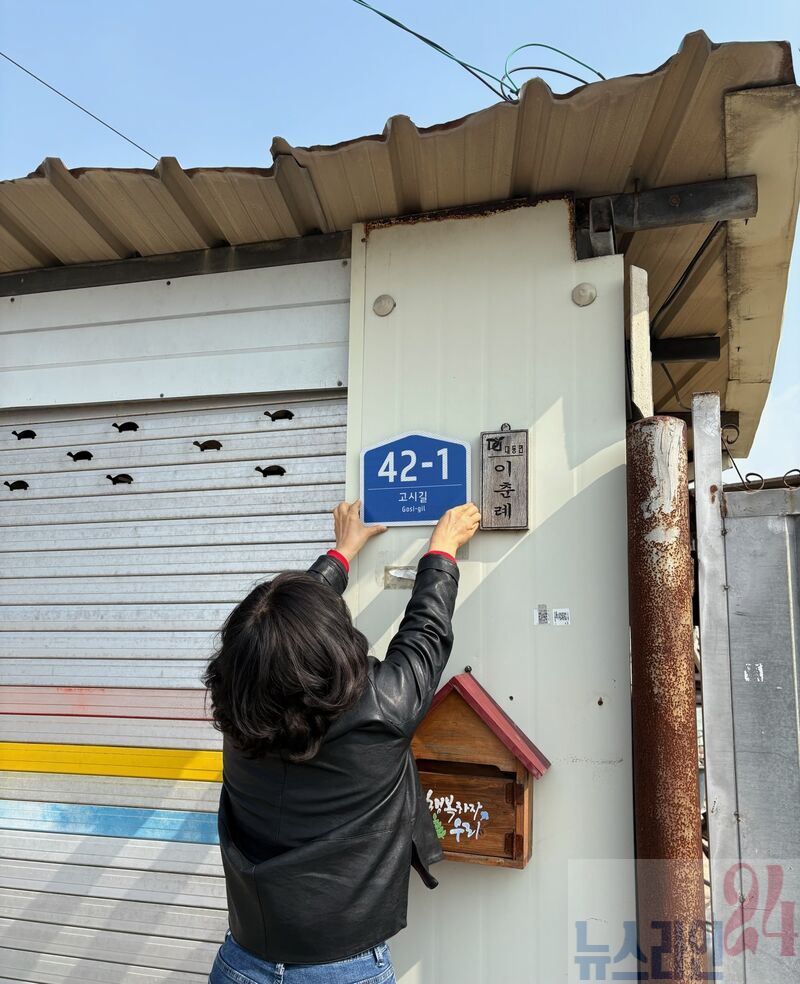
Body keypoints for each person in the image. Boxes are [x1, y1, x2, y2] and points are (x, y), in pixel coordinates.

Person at [204, 499, 481, 984]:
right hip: (343, 971)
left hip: (242, 962)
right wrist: (441, 552)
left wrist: (341, 554)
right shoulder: (384, 705)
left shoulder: (238, 713)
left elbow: (280, 632)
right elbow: (425, 635)